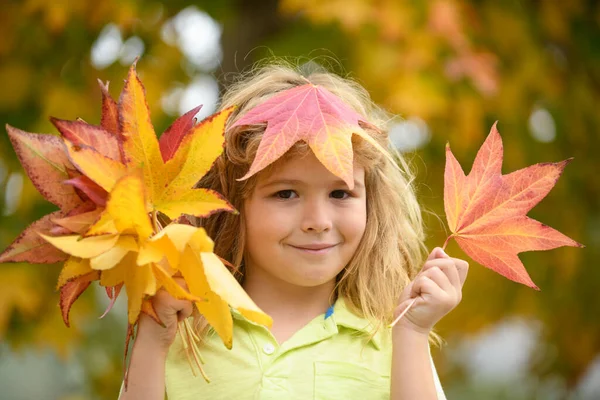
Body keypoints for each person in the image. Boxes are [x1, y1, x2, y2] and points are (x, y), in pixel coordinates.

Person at [119, 63, 469, 400]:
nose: (318, 220)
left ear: (370, 204)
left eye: (340, 193)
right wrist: (153, 339)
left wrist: (412, 333)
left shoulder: (393, 339)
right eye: (286, 193)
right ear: (231, 204)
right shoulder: (182, 332)